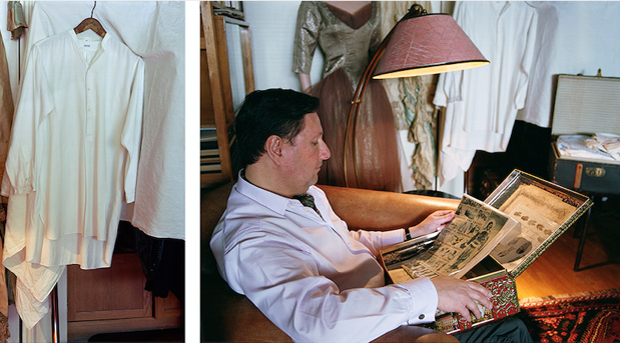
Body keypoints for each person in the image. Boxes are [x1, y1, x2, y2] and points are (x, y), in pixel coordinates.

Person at [209, 88, 532, 343]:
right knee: (510, 328)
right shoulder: (253, 241)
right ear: (277, 148)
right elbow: (322, 321)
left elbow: (345, 242)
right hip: (380, 320)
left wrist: (411, 234)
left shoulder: (300, 192)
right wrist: (431, 292)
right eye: (314, 141)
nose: (326, 152)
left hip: (391, 289)